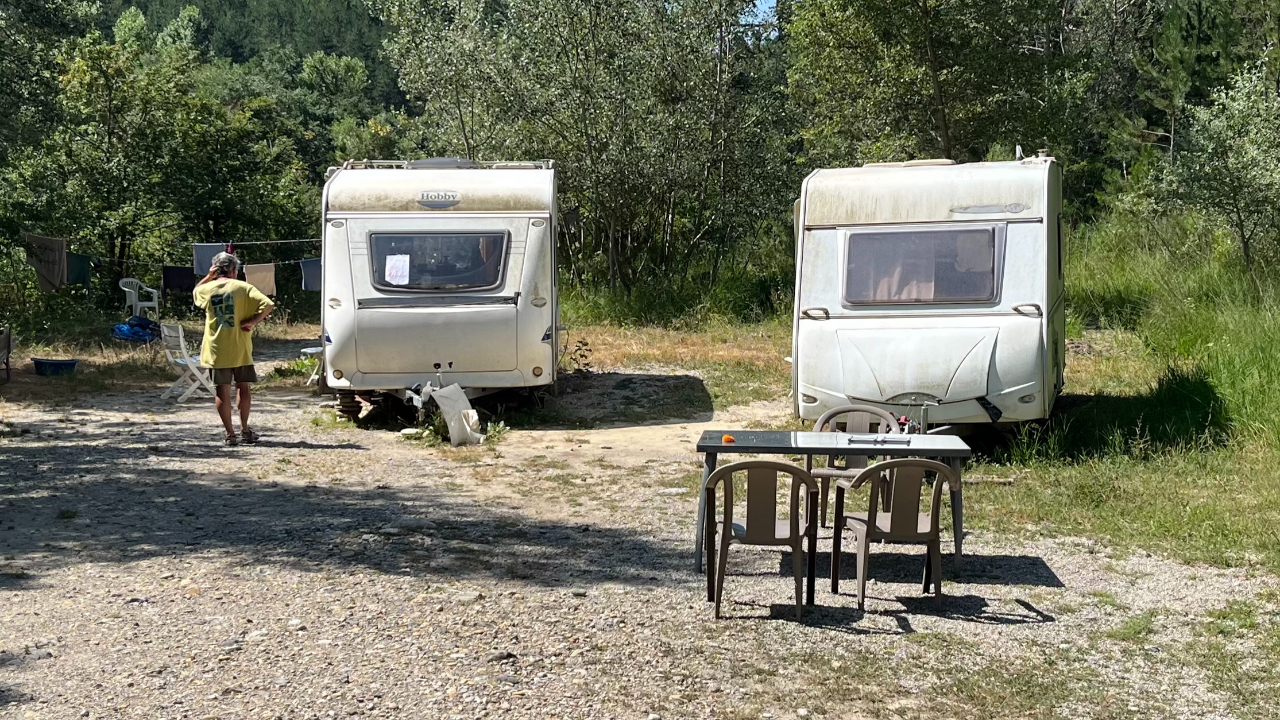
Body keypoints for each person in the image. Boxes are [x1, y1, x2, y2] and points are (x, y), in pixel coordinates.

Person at [194, 252, 274, 446]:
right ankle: (245, 430)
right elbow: (268, 304)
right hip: (240, 346)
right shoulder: (244, 287)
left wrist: (208, 276)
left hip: (216, 348)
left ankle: (230, 434)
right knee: (243, 387)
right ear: (234, 270)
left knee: (222, 391)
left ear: (215, 269)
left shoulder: (207, 289)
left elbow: (195, 292)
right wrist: (253, 321)